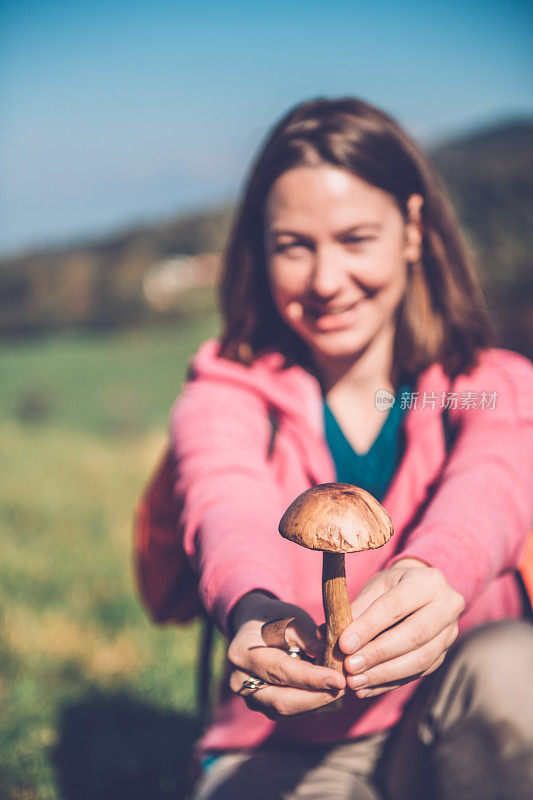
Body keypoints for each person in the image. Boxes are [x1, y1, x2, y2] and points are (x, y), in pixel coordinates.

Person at [168, 97, 533, 799]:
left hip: (459, 723)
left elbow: (494, 482)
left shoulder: (493, 388)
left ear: (412, 230)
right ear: (260, 251)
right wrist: (251, 606)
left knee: (516, 668)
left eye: (354, 237)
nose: (326, 280)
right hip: (282, 748)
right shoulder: (226, 391)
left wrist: (441, 570)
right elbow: (224, 501)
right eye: (293, 245)